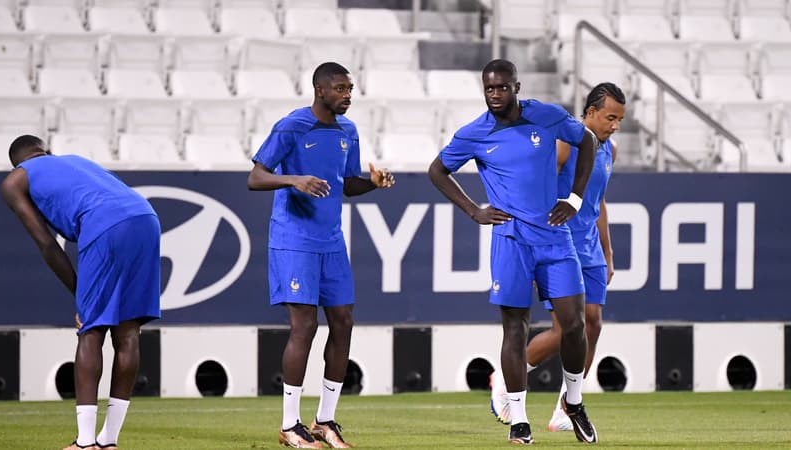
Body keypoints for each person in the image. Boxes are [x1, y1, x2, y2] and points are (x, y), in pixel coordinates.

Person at [428, 59, 599, 445]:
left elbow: (586, 140)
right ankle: (519, 419)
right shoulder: (474, 133)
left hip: (555, 238)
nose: (494, 95)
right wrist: (474, 210)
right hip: (510, 241)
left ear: (516, 88)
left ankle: (573, 401)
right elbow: (437, 171)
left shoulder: (545, 116)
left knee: (574, 324)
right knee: (515, 329)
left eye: (502, 88)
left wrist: (574, 197)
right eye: (489, 88)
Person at [247, 62, 394, 449]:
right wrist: (293, 179)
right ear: (320, 91)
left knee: (343, 321)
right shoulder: (292, 126)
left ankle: (324, 420)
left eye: (350, 88)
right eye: (341, 89)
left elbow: (347, 184)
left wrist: (373, 183)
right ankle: (289, 424)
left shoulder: (348, 130)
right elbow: (256, 176)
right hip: (293, 239)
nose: (348, 95)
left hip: (331, 241)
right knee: (304, 326)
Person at [0, 135, 161, 450]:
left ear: (17, 162)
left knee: (92, 330)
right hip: (146, 217)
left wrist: (80, 294)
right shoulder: (73, 160)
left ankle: (85, 443)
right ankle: (108, 441)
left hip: (104, 223)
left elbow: (47, 244)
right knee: (128, 331)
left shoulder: (15, 180)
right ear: (45, 150)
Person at [489, 82, 627, 433]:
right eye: (610, 117)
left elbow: (599, 201)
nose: (614, 125)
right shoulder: (566, 143)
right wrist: (535, 246)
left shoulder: (608, 148)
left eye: (619, 120)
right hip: (558, 241)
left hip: (591, 247)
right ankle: (507, 379)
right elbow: (539, 187)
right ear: (590, 112)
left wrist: (608, 252)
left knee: (592, 324)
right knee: (567, 327)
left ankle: (566, 407)